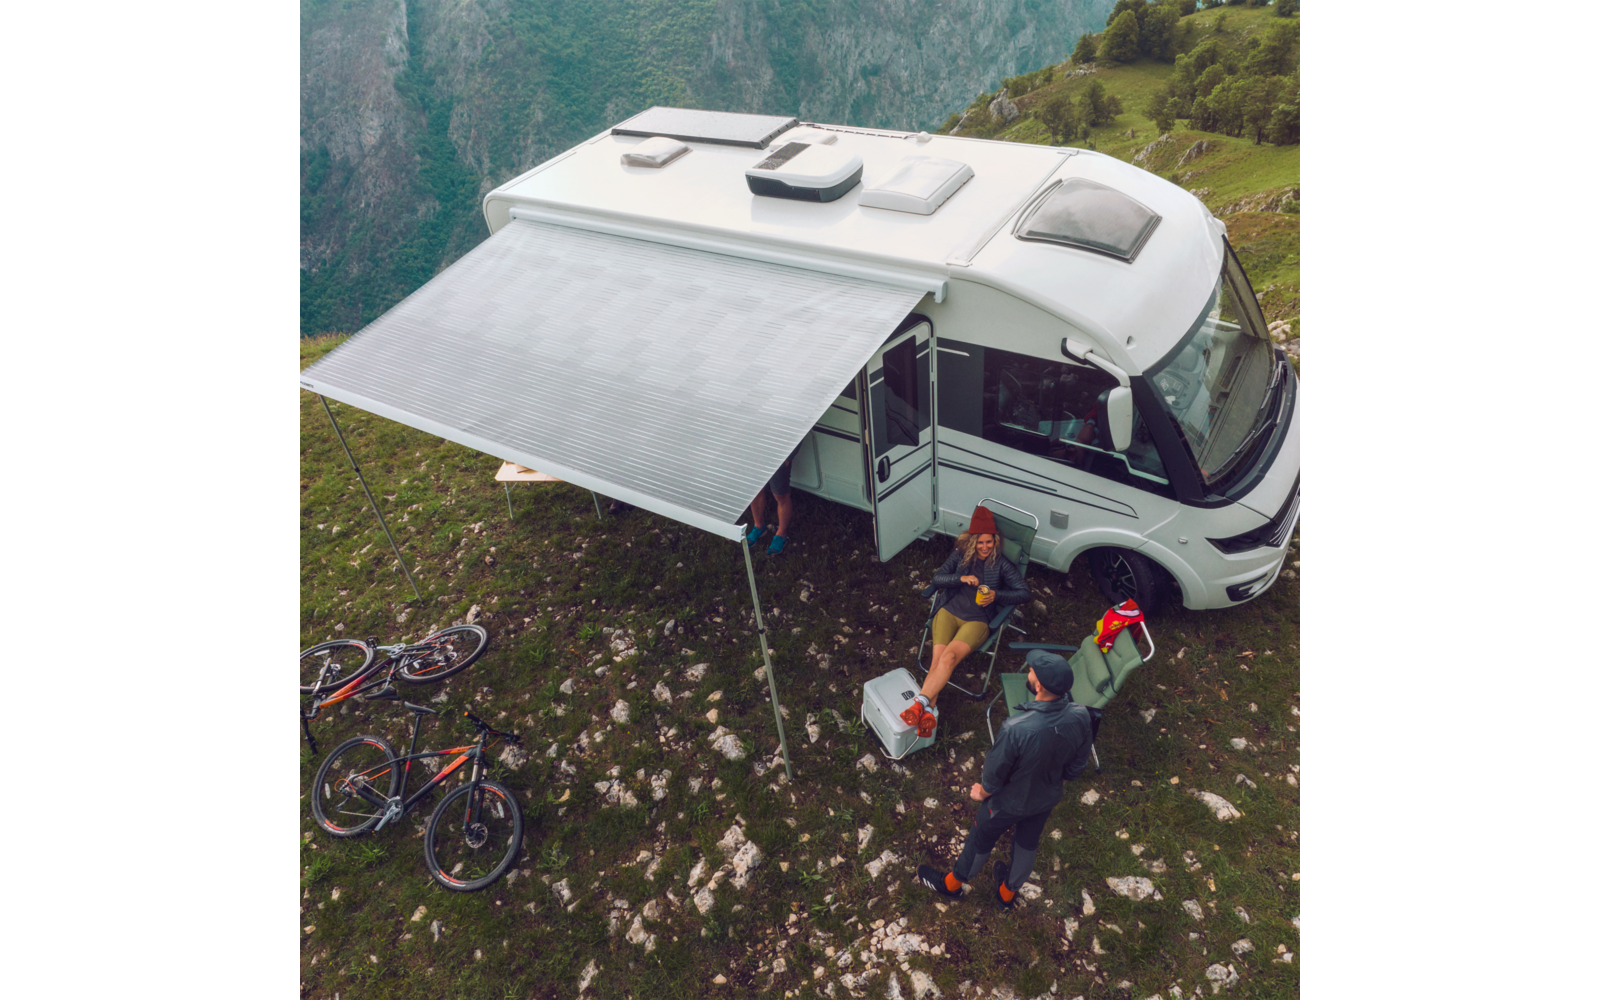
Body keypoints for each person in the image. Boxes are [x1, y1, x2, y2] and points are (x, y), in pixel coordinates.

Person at [917, 650, 1093, 909]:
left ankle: (951, 885)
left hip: (1007, 803)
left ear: (1039, 686)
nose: (1028, 671)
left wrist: (982, 793)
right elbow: (1077, 765)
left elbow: (994, 774)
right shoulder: (1081, 715)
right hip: (1046, 799)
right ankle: (1007, 894)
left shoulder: (1016, 728)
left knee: (981, 838)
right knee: (1027, 843)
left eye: (1031, 670)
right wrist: (1053, 783)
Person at [899, 504, 1029, 738]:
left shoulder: (1001, 564)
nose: (985, 547)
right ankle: (927, 712)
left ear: (995, 541)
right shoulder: (961, 555)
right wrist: (960, 578)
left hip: (977, 620)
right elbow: (938, 578)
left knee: (947, 658)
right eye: (980, 542)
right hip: (949, 611)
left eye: (989, 542)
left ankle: (919, 704)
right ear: (972, 541)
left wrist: (996, 595)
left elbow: (1024, 593)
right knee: (938, 659)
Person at [745, 446, 799, 555]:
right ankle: (758, 527)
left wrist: (787, 459)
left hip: (779, 455)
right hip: (756, 453)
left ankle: (781, 535)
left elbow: (800, 435)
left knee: (781, 496)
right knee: (755, 491)